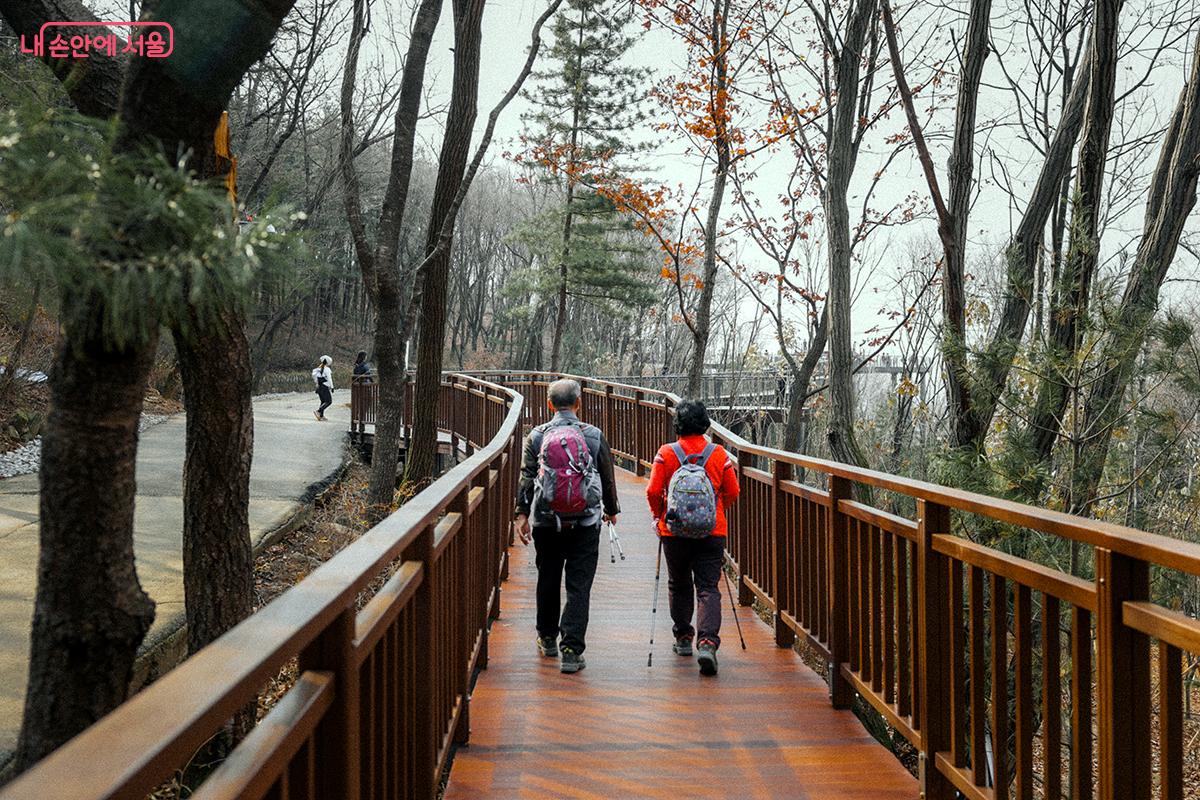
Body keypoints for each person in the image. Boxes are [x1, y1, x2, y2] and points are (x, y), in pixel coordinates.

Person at [514, 378, 620, 674]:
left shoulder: (536, 436)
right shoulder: (594, 436)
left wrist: (521, 514)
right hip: (585, 522)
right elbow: (607, 477)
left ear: (550, 405)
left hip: (547, 521)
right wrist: (611, 510)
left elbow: (527, 476)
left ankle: (547, 638)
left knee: (547, 576)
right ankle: (571, 649)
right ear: (579, 403)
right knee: (579, 585)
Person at [645, 399, 739, 676]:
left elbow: (652, 490)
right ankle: (708, 643)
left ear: (678, 425)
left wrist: (658, 514)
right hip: (712, 531)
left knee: (679, 582)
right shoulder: (718, 454)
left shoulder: (667, 453)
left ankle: (683, 638)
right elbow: (733, 491)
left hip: (673, 531)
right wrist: (716, 511)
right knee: (708, 586)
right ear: (705, 424)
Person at [312, 355, 333, 421]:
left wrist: (317, 385)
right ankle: (318, 411)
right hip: (325, 387)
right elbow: (329, 379)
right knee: (329, 401)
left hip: (319, 387)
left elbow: (315, 379)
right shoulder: (327, 369)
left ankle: (321, 416)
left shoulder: (318, 369)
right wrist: (332, 387)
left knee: (323, 401)